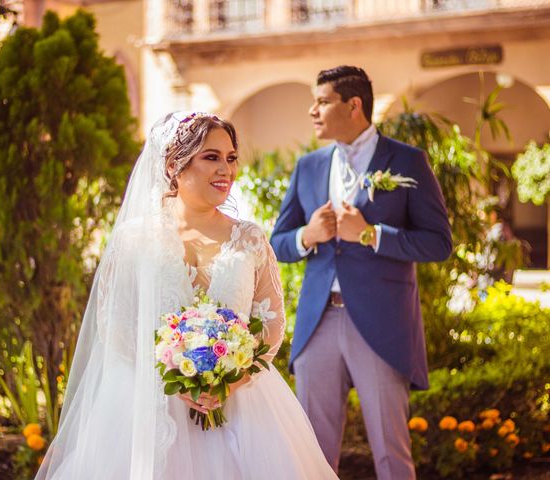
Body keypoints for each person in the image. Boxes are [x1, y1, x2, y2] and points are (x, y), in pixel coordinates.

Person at [35, 112, 338, 480]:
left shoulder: (251, 239)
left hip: (243, 406)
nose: (225, 169)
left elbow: (271, 327)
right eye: (211, 157)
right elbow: (116, 324)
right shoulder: (134, 239)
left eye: (230, 158)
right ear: (174, 164)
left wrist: (231, 381)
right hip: (147, 406)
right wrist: (174, 378)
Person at [270, 66, 452, 479]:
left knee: (391, 452)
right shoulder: (309, 166)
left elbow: (438, 242)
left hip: (382, 323)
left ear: (354, 105)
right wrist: (307, 235)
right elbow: (277, 242)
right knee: (311, 452)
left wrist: (371, 235)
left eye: (322, 101)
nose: (312, 110)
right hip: (318, 323)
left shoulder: (407, 161)